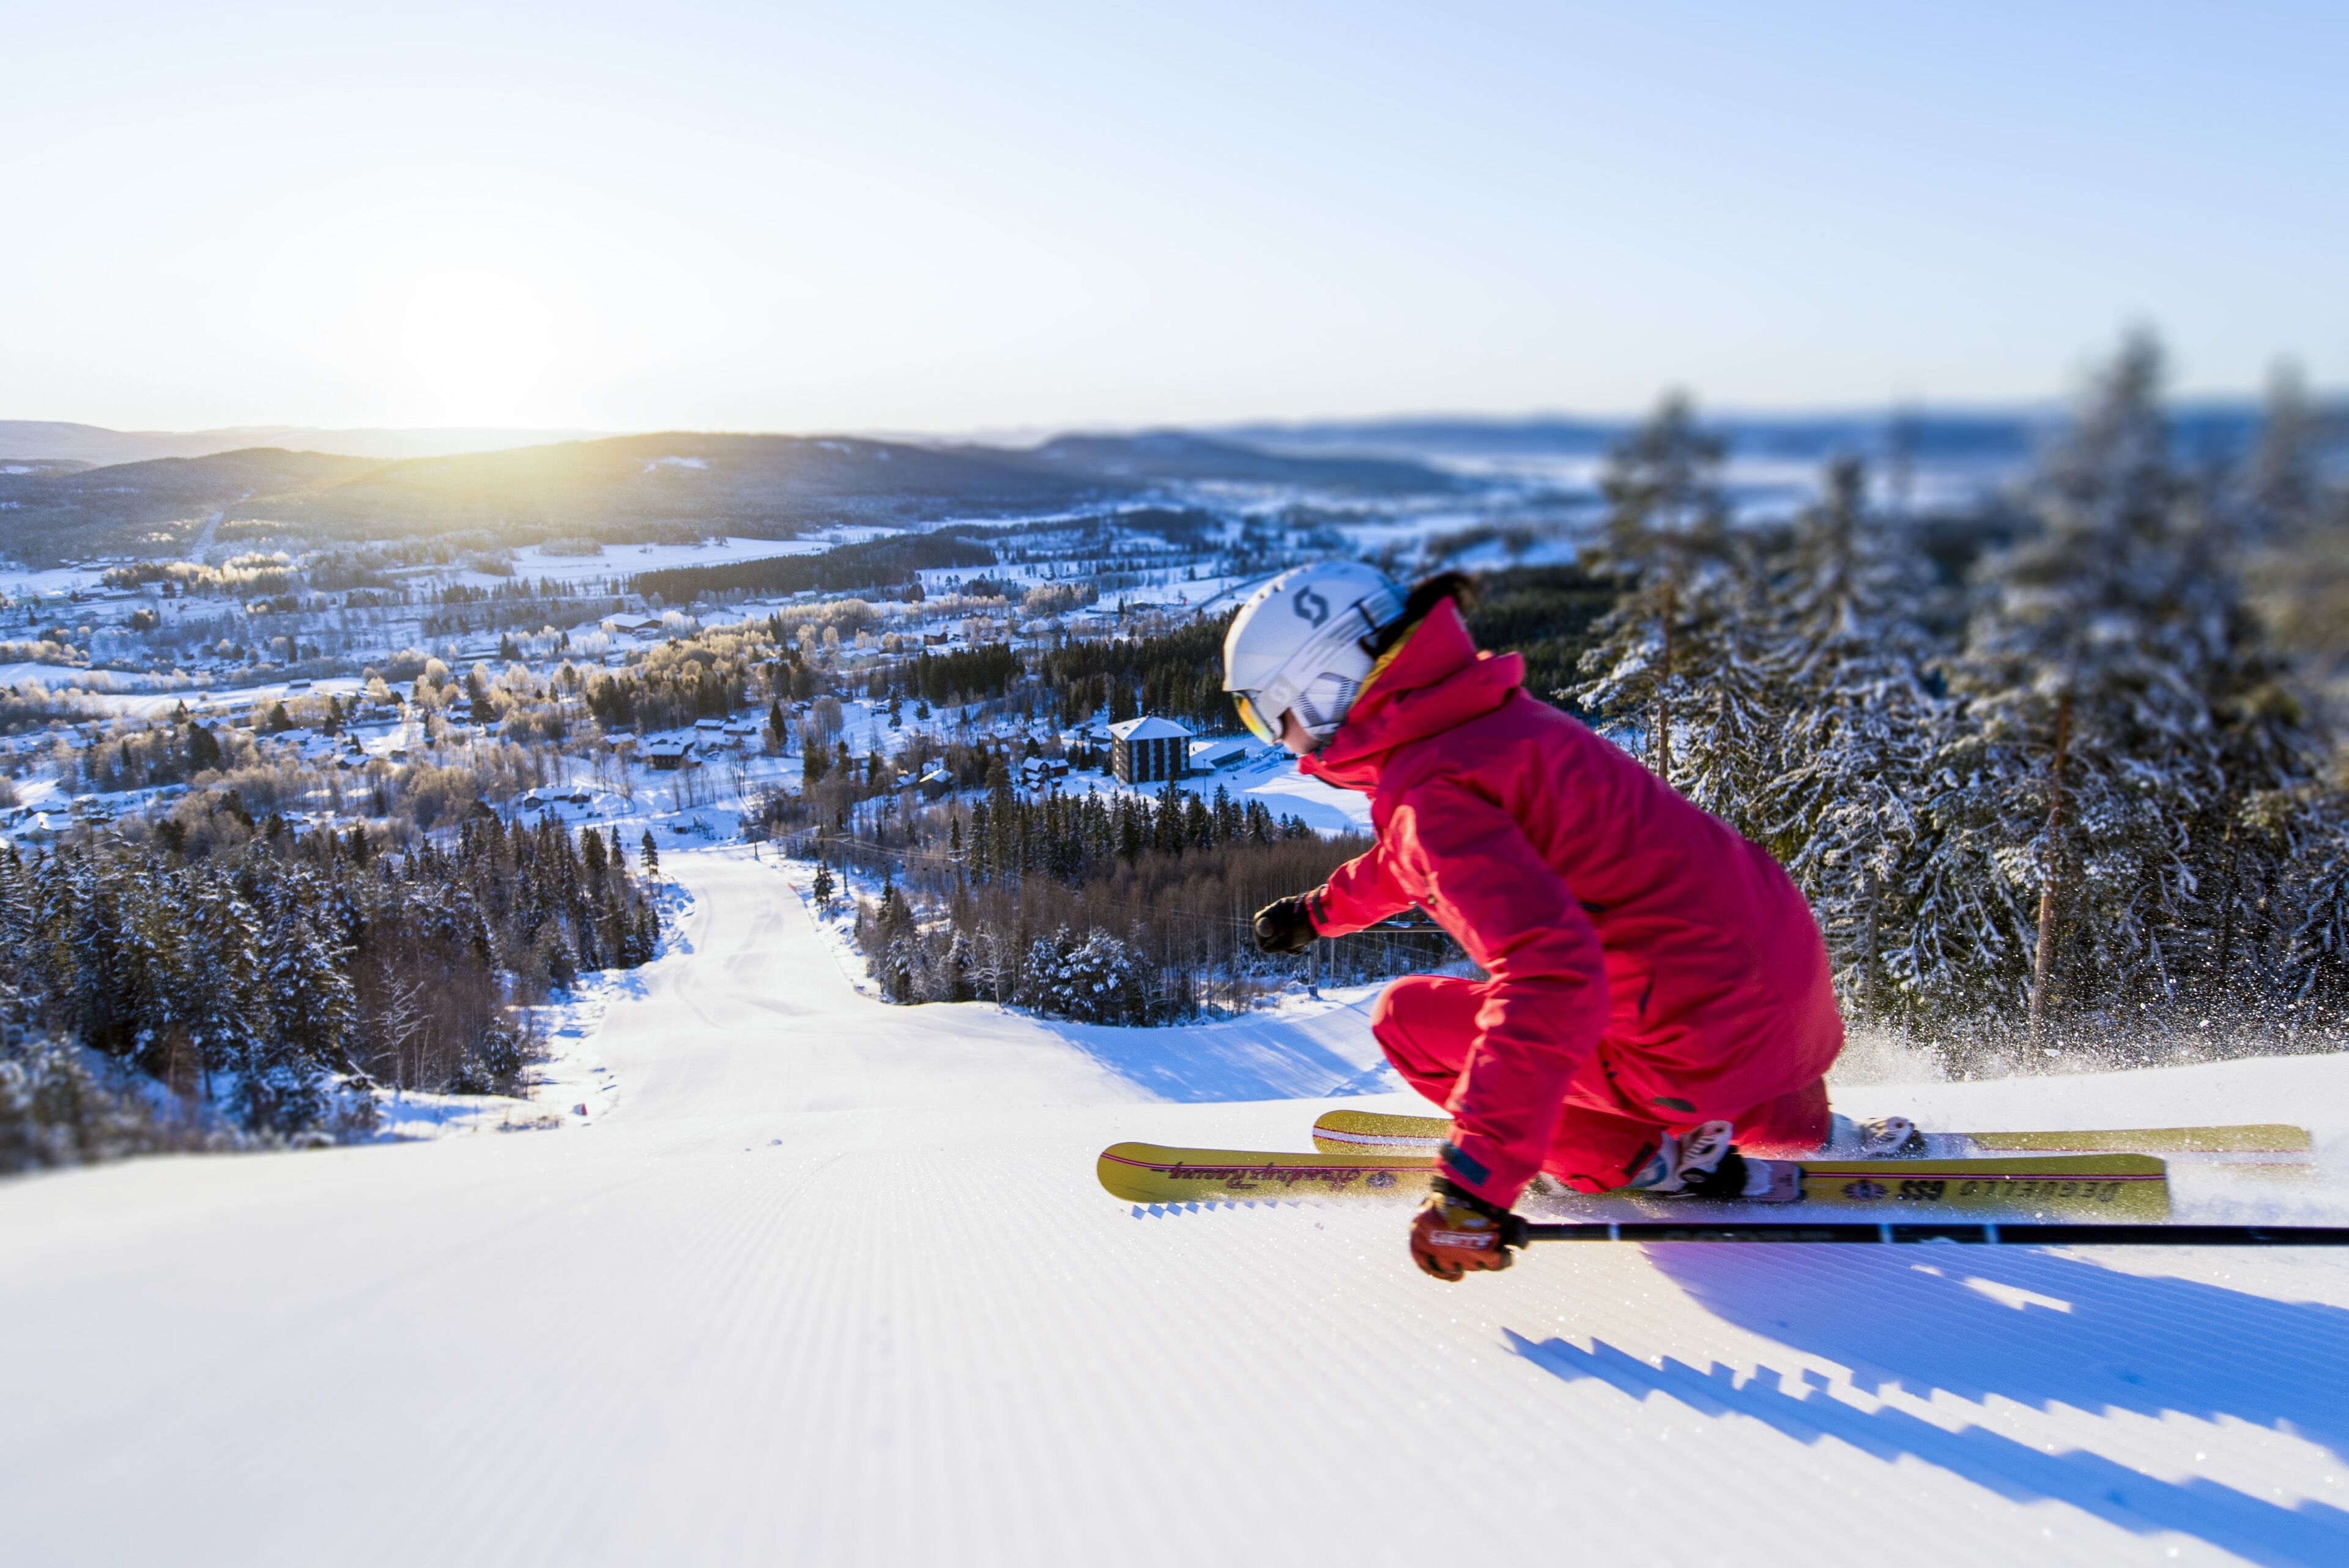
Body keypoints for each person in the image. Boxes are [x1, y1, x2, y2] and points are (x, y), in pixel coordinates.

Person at [1223, 562, 1852, 1282]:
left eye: (1265, 716)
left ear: (1324, 688)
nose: (1277, 740)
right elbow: (1428, 857)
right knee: (1665, 995)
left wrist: (1474, 1187)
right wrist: (1319, 912)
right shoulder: (1500, 724)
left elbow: (1550, 978)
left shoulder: (1427, 793)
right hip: (1785, 1014)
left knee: (1405, 1021)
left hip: (1697, 1050)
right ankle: (1798, 1126)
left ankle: (1651, 1161)